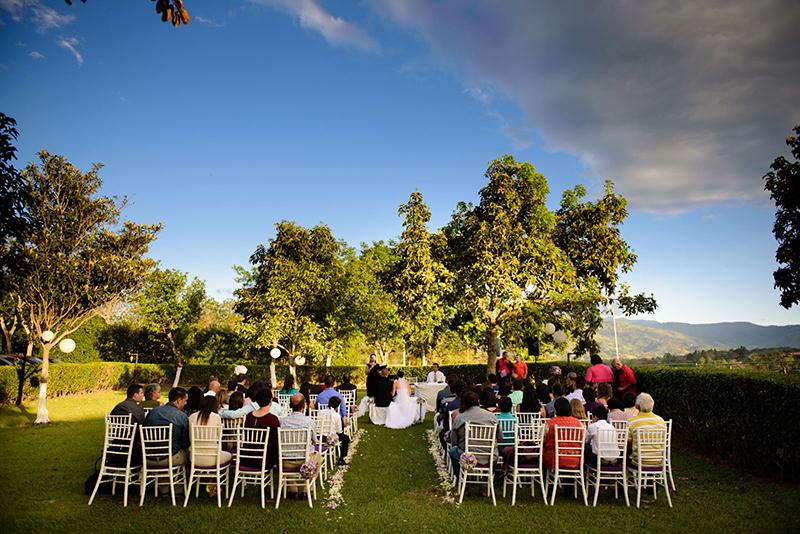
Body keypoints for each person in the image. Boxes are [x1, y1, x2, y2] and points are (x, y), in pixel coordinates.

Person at [448, 391, 503, 480]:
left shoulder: (460, 418)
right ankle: (485, 482)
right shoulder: (491, 416)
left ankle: (460, 478)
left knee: (453, 451)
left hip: (466, 455)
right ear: (478, 401)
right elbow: (500, 437)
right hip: (489, 456)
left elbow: (454, 441)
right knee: (495, 452)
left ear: (464, 403)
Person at [144, 387, 190, 469]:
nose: (186, 403)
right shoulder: (182, 416)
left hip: (148, 457)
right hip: (170, 458)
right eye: (185, 400)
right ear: (179, 400)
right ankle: (184, 479)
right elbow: (185, 443)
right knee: (190, 454)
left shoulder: (152, 412)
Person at [188, 395, 232, 468]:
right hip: (214, 457)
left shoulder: (191, 417)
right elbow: (219, 437)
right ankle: (217, 477)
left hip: (194, 458)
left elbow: (189, 436)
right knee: (230, 456)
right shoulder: (216, 417)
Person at [242, 388, 280, 472]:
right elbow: (276, 441)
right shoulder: (272, 419)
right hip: (264, 460)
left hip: (246, 458)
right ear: (270, 401)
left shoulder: (249, 417)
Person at [542, 397, 583, 471]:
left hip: (554, 459)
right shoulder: (579, 423)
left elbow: (542, 439)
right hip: (576, 458)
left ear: (555, 410)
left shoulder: (550, 423)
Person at [627, 393, 666, 466]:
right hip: (658, 460)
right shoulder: (661, 421)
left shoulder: (632, 421)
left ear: (637, 407)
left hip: (639, 461)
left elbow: (628, 442)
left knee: (626, 458)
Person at [324, 396, 351, 465]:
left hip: (320, 436)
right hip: (329, 437)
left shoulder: (320, 412)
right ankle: (342, 458)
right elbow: (339, 431)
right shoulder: (336, 415)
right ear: (337, 406)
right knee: (346, 438)